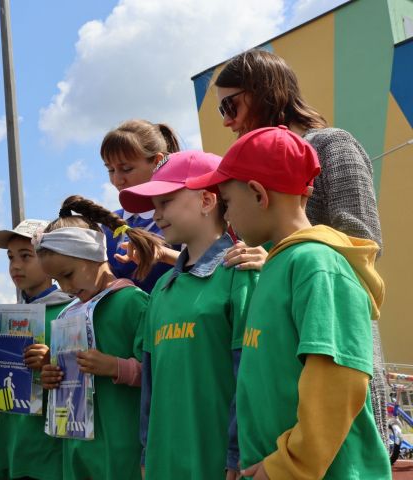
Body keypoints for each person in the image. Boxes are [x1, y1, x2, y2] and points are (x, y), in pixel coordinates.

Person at [187, 126, 391, 479]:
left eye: (228, 203)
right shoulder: (277, 264)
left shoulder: (317, 265)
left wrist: (289, 465)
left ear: (257, 194)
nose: (227, 216)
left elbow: (338, 379)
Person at [214, 48, 388, 441]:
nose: (227, 122)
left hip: (337, 348)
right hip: (281, 352)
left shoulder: (331, 144)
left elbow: (364, 244)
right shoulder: (246, 169)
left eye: (231, 105)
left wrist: (280, 254)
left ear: (264, 92)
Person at [118, 151, 258, 479]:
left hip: (220, 466)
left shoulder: (241, 274)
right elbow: (150, 386)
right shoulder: (162, 289)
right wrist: (146, 450)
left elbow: (248, 377)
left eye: (165, 201)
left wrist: (236, 454)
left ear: (207, 200)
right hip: (163, 464)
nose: (156, 214)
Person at [38, 196, 155, 480]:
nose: (65, 287)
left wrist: (115, 367)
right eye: (57, 281)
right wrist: (51, 377)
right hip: (77, 449)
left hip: (122, 451)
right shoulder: (67, 315)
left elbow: (157, 374)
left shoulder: (134, 303)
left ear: (93, 254)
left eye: (68, 275)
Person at [0, 219, 73, 480]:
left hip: (52, 451)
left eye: (26, 256)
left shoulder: (70, 312)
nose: (15, 265)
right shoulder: (5, 318)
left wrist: (52, 362)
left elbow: (82, 382)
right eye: (10, 257)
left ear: (51, 259)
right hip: (15, 445)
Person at [99, 119, 181, 292]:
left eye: (127, 169)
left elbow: (211, 262)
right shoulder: (107, 224)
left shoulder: (181, 213)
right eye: (111, 170)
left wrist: (165, 255)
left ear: (157, 161)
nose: (117, 180)